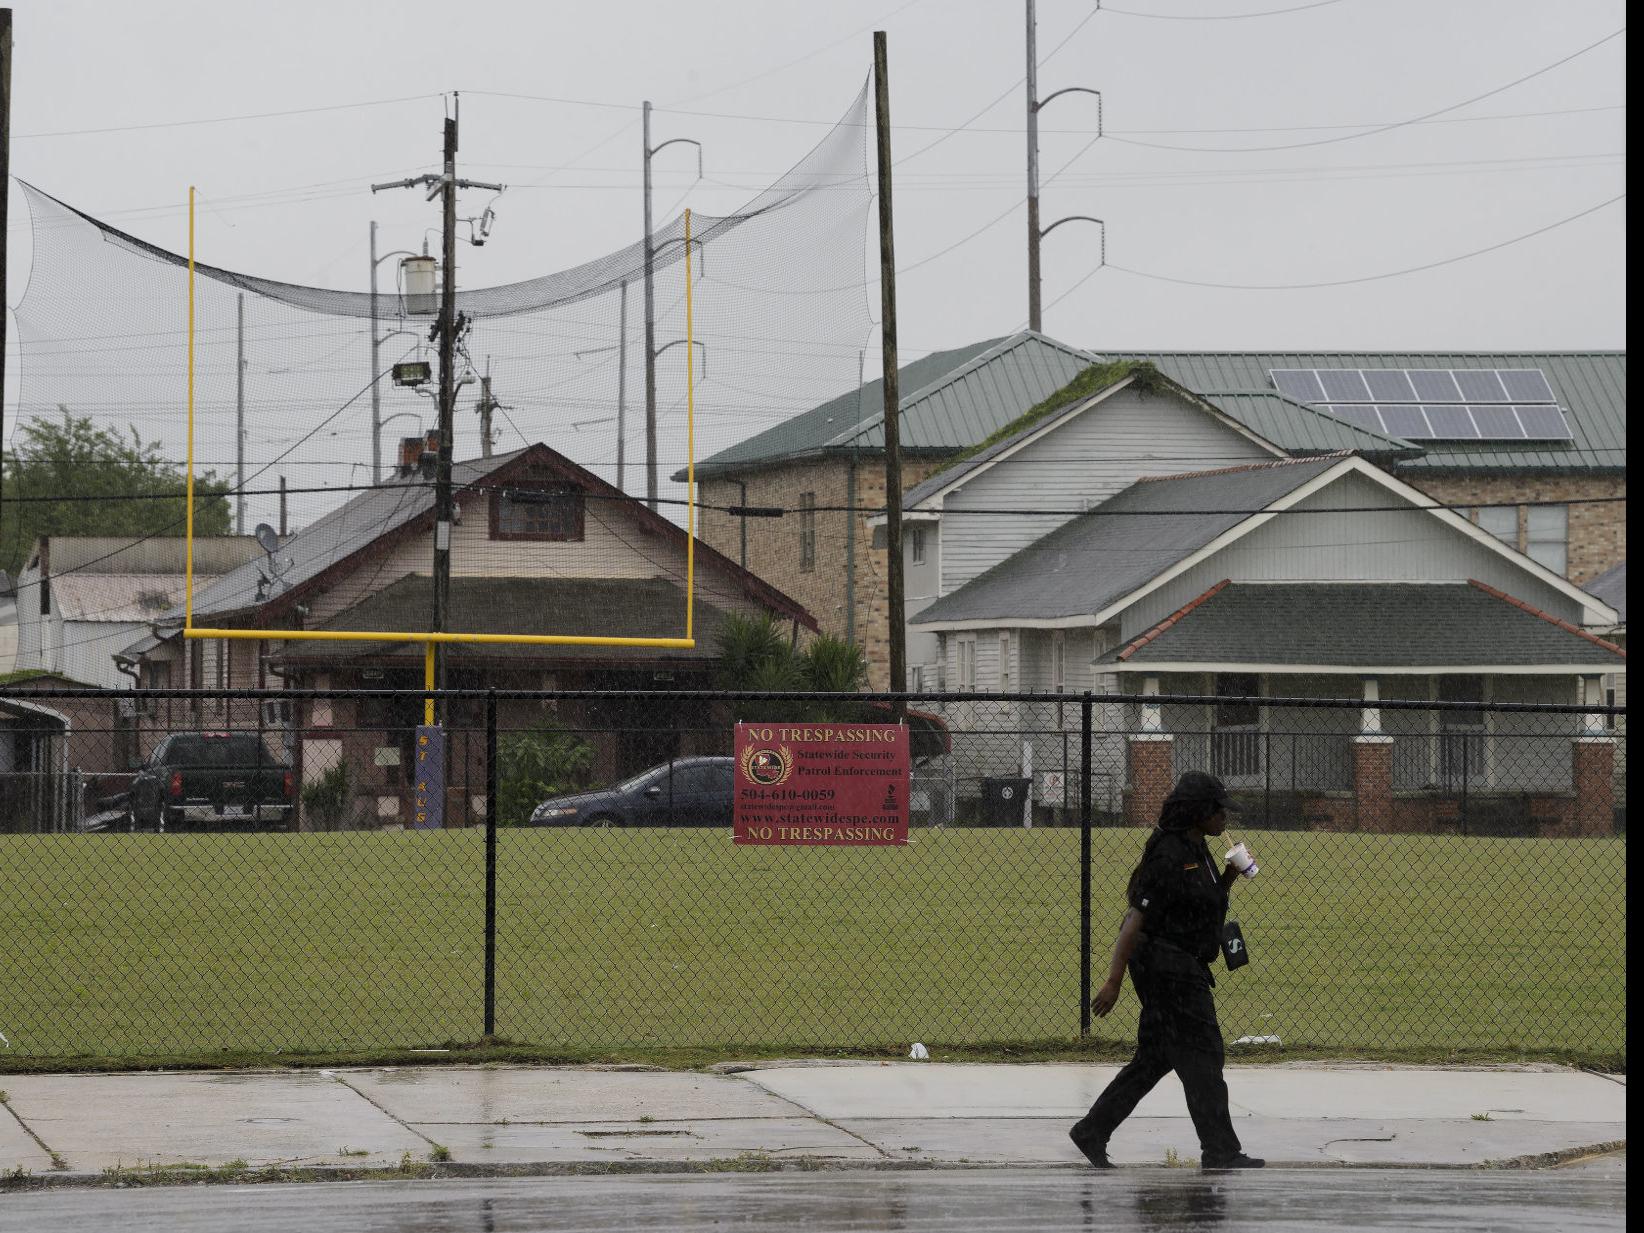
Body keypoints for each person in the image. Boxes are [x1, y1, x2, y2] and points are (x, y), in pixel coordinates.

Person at [1070, 770, 1265, 1170]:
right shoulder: (1168, 854)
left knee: (1156, 1056)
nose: (1225, 818)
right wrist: (1113, 980)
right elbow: (1133, 920)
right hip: (1166, 968)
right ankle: (1221, 1151)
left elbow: (1201, 904)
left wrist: (1229, 877)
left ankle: (1093, 1130)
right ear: (1197, 812)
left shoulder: (1200, 848)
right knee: (1204, 1055)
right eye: (1218, 810)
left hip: (1185, 964)